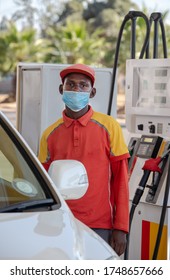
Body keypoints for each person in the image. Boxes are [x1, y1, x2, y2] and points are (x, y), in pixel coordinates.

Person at [38, 63, 130, 256]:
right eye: (70, 84)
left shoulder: (109, 126)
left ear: (92, 92)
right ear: (61, 89)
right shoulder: (50, 134)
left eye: (83, 85)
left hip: (100, 224)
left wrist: (121, 227)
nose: (76, 90)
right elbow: (43, 183)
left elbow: (121, 178)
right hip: (62, 222)